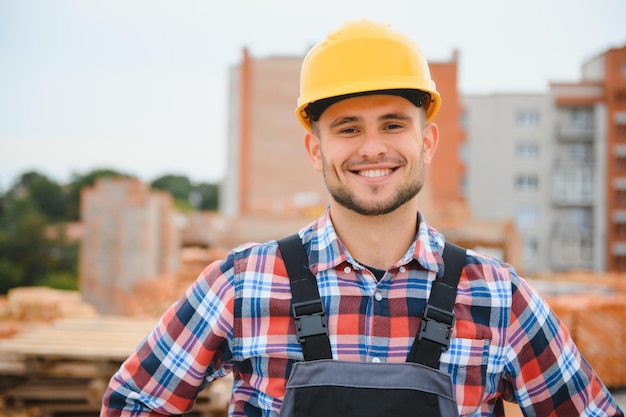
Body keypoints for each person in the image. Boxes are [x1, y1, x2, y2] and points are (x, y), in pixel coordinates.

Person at [101, 19, 624, 417]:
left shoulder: (498, 298)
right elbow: (132, 403)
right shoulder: (241, 286)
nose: (372, 148)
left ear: (427, 140)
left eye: (392, 124)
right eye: (348, 128)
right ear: (315, 148)